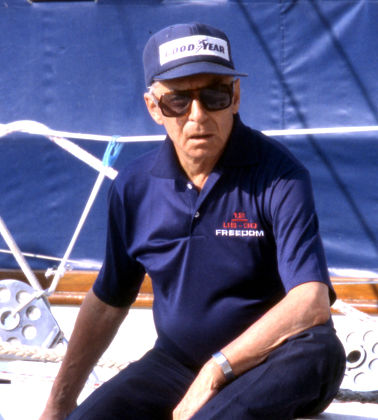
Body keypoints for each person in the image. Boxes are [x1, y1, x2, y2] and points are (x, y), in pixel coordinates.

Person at [40, 22, 346, 420]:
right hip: (176, 364)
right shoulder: (133, 188)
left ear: (235, 96)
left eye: (214, 95)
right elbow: (108, 301)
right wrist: (59, 403)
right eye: (178, 102)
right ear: (154, 107)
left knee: (314, 352)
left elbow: (310, 303)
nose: (198, 115)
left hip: (280, 361)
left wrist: (215, 371)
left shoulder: (281, 177)